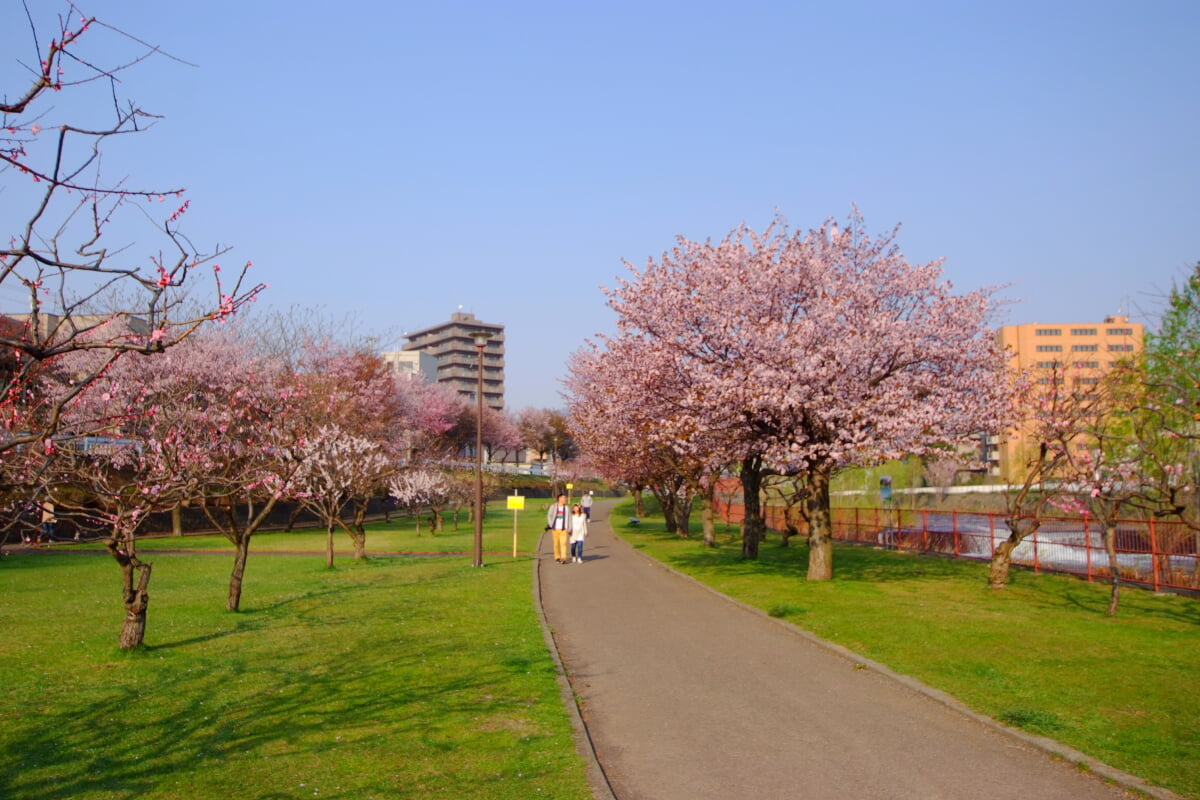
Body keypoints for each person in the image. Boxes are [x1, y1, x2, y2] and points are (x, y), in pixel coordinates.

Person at [546, 493, 571, 564]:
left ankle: (563, 558)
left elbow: (569, 518)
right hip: (555, 529)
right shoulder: (553, 507)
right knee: (556, 544)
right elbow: (549, 515)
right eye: (563, 498)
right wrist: (551, 524)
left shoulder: (567, 508)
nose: (564, 499)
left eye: (565, 498)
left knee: (563, 543)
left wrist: (570, 527)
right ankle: (557, 557)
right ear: (559, 498)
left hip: (563, 529)